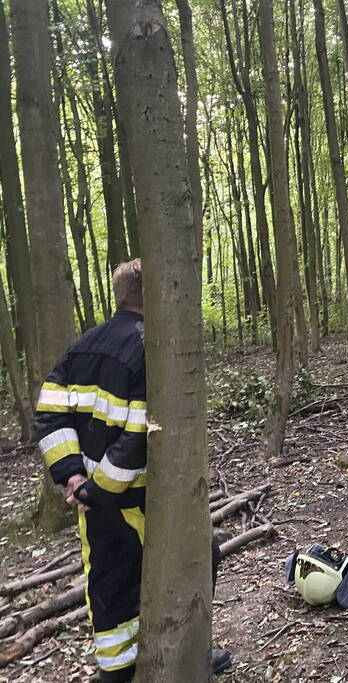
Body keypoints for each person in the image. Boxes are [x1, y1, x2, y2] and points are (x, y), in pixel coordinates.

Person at [35, 260, 230, 682]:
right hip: (137, 500)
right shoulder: (152, 349)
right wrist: (94, 488)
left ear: (120, 295)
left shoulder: (82, 346)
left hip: (94, 499)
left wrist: (74, 477)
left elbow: (48, 413)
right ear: (153, 294)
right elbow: (139, 432)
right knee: (180, 565)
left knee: (109, 589)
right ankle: (132, 671)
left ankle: (175, 654)